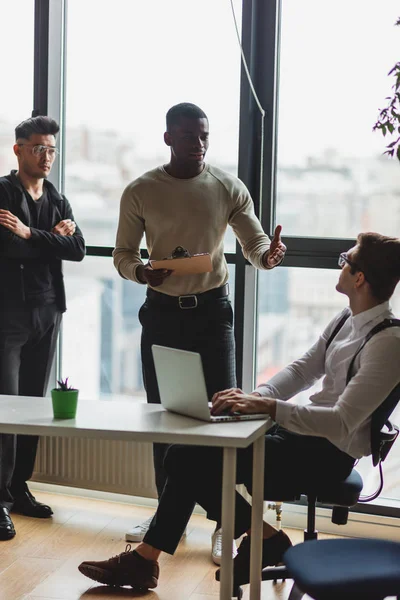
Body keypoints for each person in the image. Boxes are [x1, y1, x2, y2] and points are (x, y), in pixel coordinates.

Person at [79, 231, 400, 592]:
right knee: (186, 453)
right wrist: (252, 400)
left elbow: (342, 421)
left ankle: (149, 560)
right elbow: (302, 370)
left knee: (185, 459)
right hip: (300, 433)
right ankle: (258, 537)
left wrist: (268, 407)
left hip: (327, 453)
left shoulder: (388, 343)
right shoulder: (346, 318)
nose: (339, 264)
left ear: (360, 278)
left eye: (347, 260)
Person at [112, 102, 286, 562]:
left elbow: (254, 243)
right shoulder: (142, 190)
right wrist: (141, 273)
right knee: (165, 419)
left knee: (220, 418)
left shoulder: (227, 186)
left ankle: (223, 525)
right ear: (169, 138)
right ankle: (164, 515)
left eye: (204, 135)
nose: (199, 143)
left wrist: (266, 256)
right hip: (162, 314)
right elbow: (123, 254)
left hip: (212, 315)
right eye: (189, 136)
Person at [0, 116, 85, 540]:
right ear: (18, 149)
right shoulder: (1, 192)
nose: (46, 156)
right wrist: (48, 240)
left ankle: (19, 488)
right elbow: (7, 245)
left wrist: (34, 234)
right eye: (37, 148)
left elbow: (79, 249)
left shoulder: (58, 198)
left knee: (33, 407)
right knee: (5, 407)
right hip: (9, 315)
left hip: (49, 312)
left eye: (51, 149)